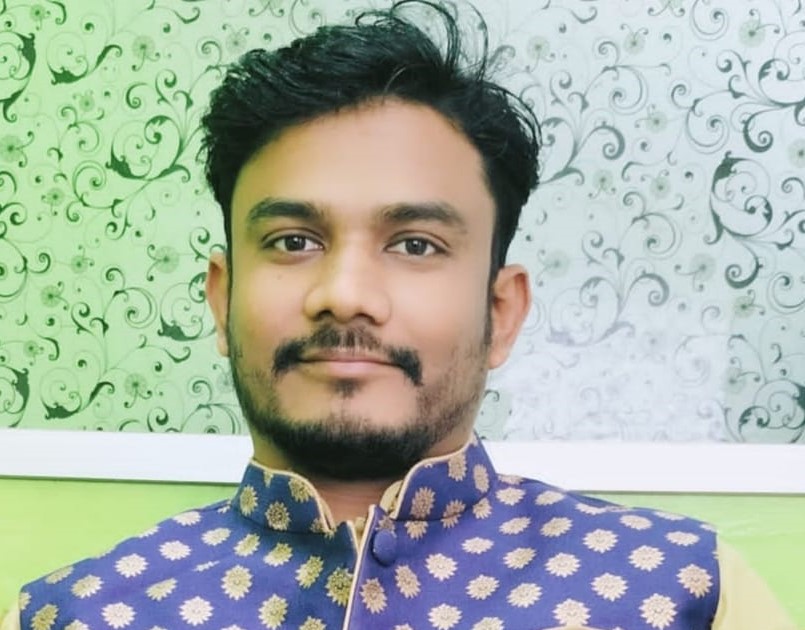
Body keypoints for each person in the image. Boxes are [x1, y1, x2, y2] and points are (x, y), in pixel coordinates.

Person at [2, 1, 796, 628]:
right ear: (222, 298)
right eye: (292, 240)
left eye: (415, 244)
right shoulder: (69, 614)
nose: (345, 293)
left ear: (500, 311)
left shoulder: (687, 594)